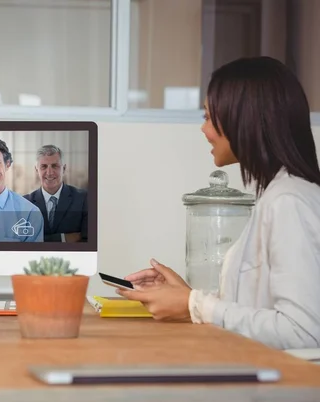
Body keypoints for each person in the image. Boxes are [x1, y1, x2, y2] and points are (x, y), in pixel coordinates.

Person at [116, 56, 320, 351]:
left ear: (243, 120)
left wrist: (194, 305)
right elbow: (257, 311)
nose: (203, 129)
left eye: (209, 117)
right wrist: (187, 298)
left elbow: (304, 333)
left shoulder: (289, 202)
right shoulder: (278, 196)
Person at [24, 145, 87, 242]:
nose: (49, 172)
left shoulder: (84, 198)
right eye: (44, 166)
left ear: (64, 169)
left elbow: (88, 239)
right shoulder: (24, 203)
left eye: (55, 166)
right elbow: (21, 242)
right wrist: (64, 238)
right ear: (37, 170)